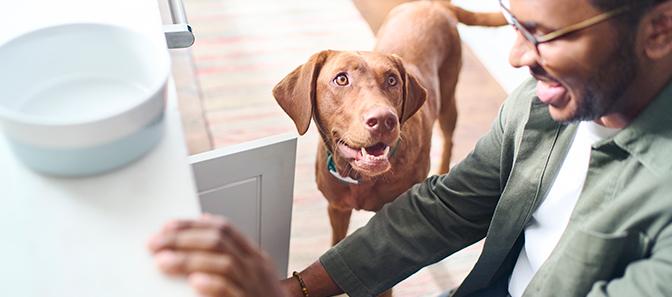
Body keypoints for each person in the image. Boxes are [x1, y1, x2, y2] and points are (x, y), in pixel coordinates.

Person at [147, 0, 672, 296]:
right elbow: (443, 209)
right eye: (514, 26)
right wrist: (295, 290)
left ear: (659, 30)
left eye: (545, 35)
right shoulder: (539, 107)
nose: (515, 57)